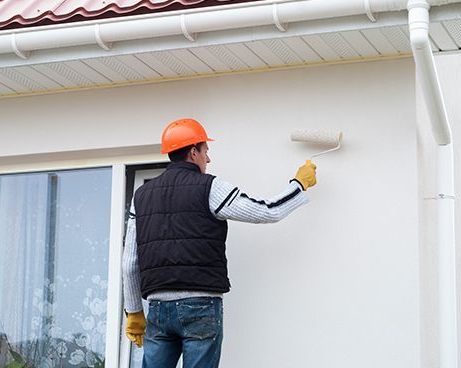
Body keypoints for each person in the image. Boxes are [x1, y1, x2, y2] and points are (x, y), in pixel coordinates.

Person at [122, 118, 317, 368]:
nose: (208, 159)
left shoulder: (142, 195)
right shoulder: (209, 187)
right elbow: (266, 211)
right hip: (200, 306)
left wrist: (134, 312)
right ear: (193, 152)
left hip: (158, 308)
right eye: (206, 151)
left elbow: (129, 264)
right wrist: (299, 185)